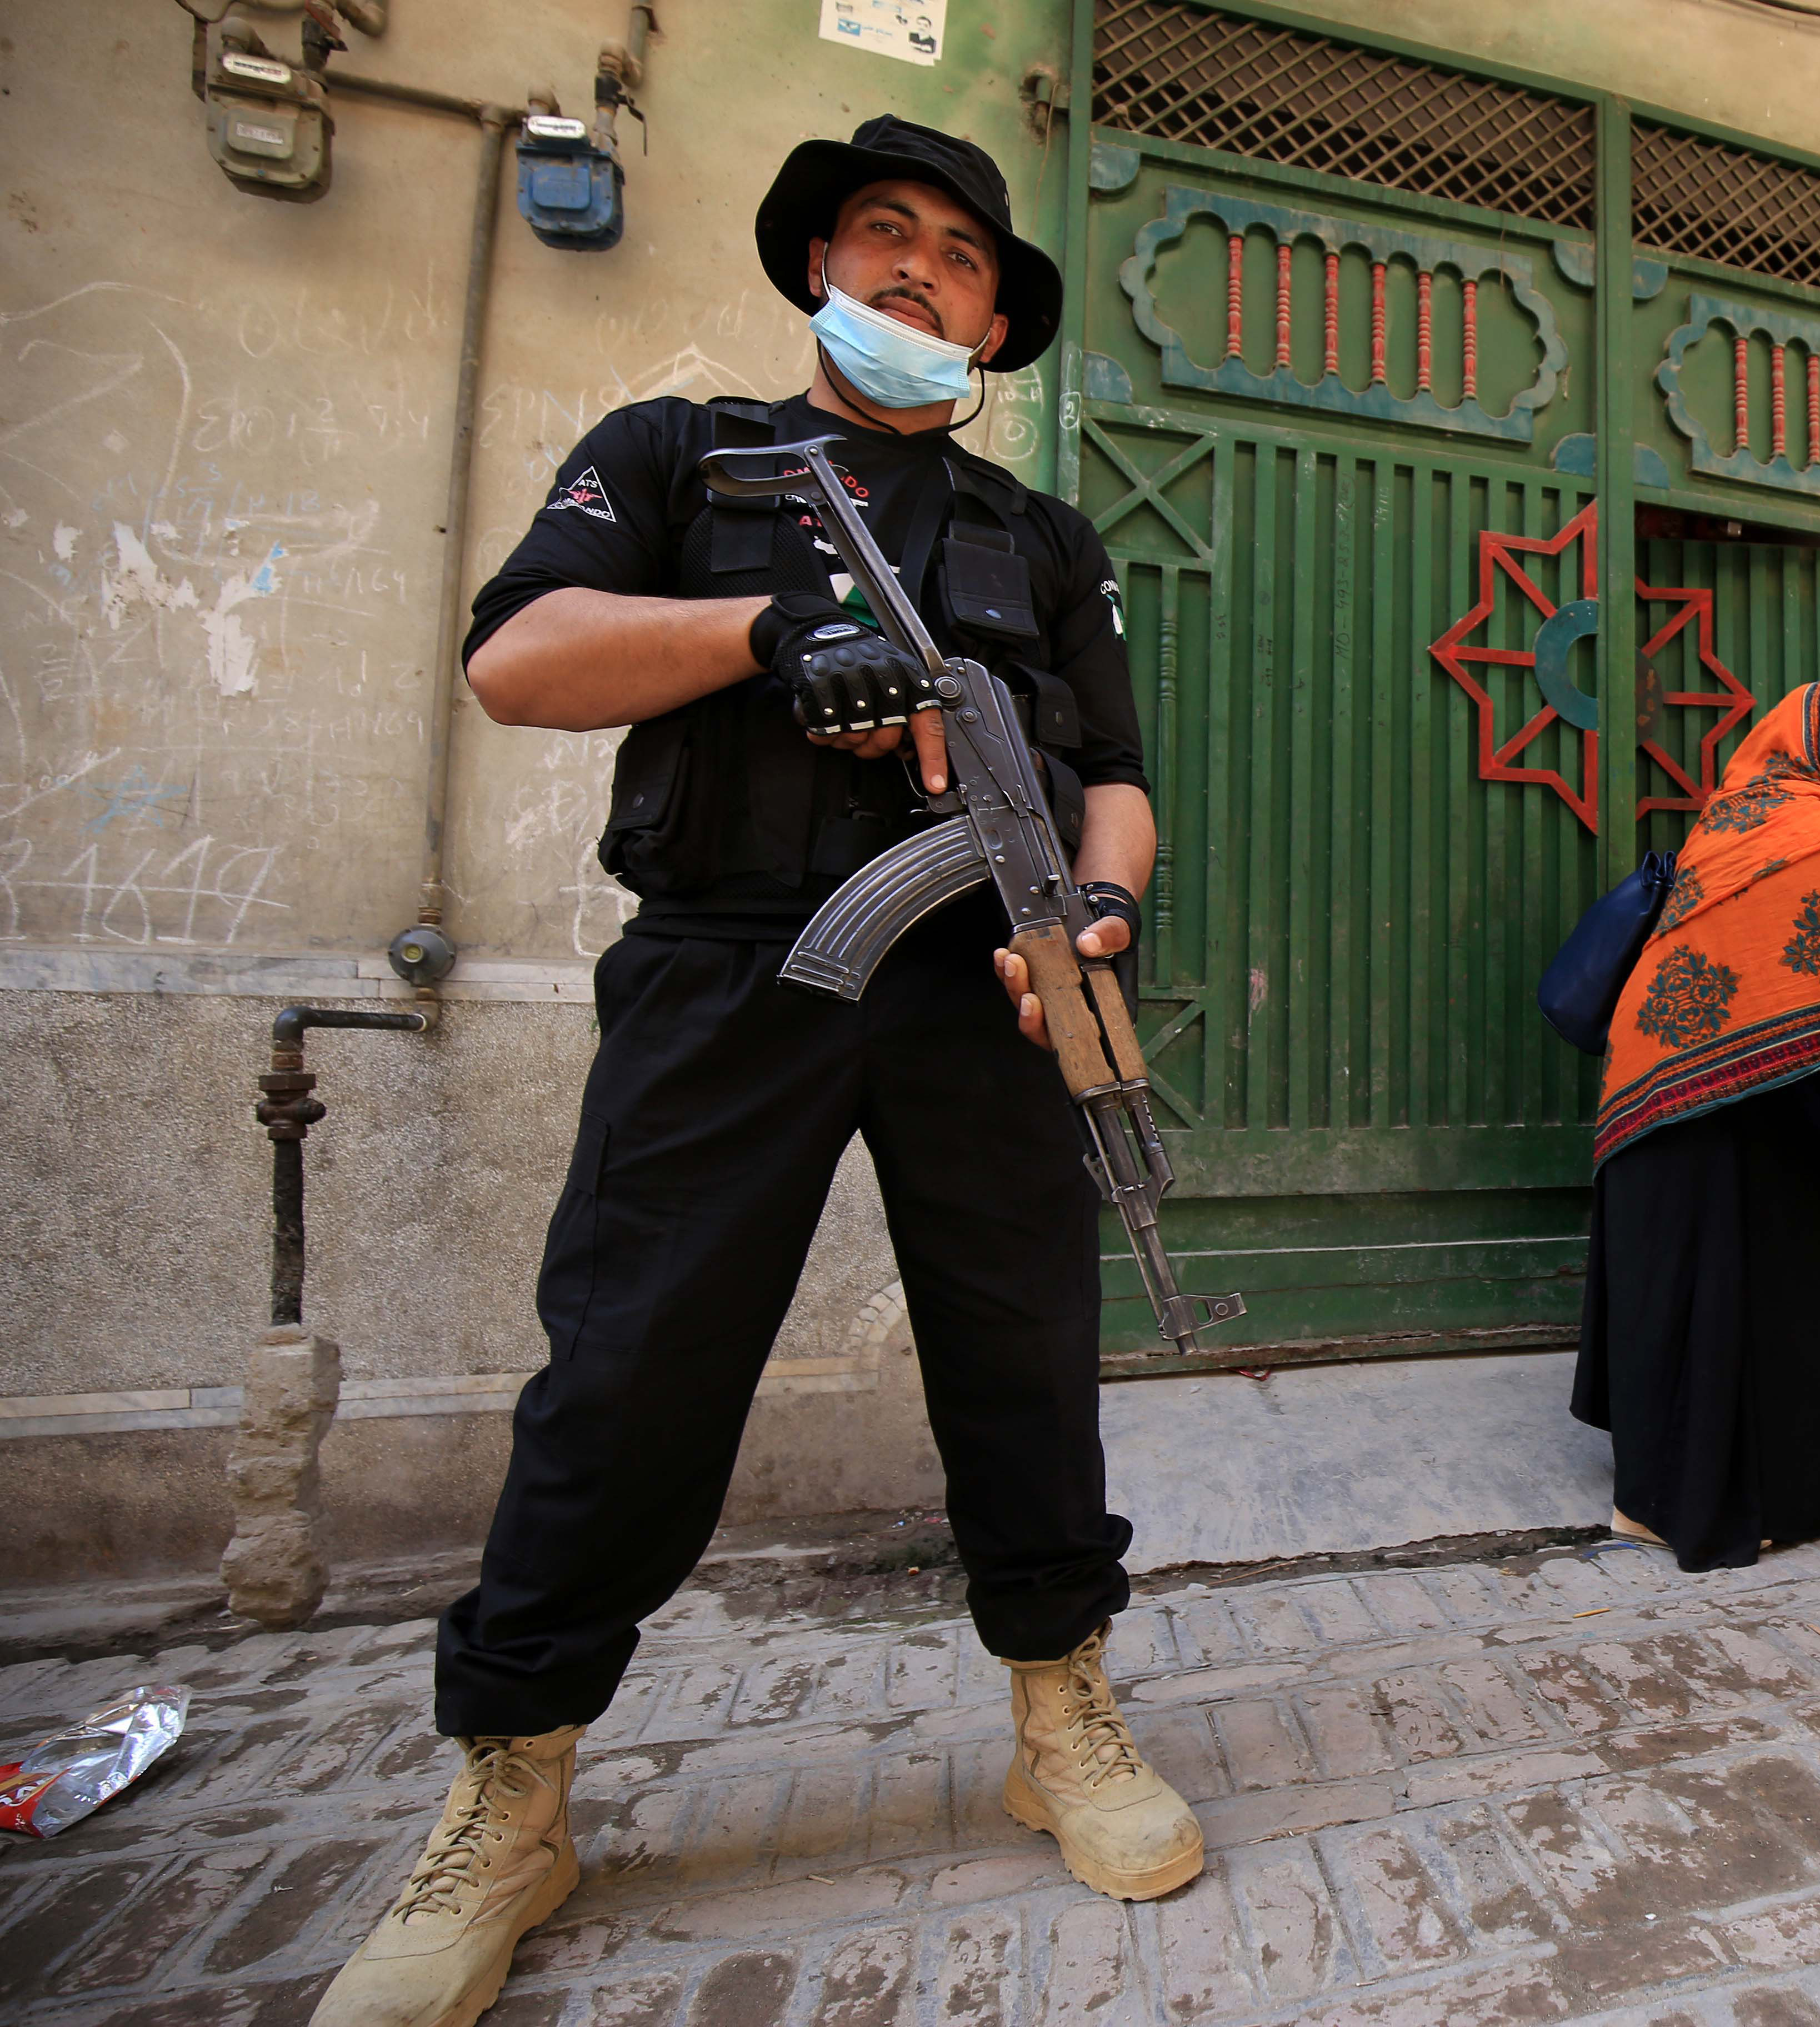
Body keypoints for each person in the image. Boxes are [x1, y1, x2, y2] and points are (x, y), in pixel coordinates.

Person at [311, 119, 1197, 2027]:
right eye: (884, 235)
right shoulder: (675, 454)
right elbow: (520, 658)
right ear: (818, 264)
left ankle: (1063, 1709)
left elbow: (1112, 773)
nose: (918, 271)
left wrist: (1095, 917)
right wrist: (756, 632)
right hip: (729, 967)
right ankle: (513, 1784)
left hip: (988, 973)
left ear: (990, 318)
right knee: (634, 1363)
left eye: (959, 255)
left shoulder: (1038, 535)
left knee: (1026, 1352)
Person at [1575, 671, 1820, 1571]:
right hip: (1744, 1132)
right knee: (1744, 1315)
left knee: (1677, 1312)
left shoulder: (1736, 813)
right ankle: (1733, 1503)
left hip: (1658, 1110)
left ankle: (1649, 1493)